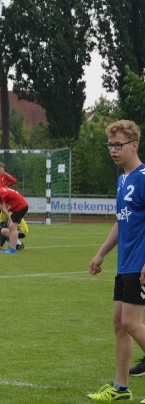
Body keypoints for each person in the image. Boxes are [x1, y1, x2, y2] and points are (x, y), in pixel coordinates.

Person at [86, 120, 145, 401]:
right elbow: (122, 222)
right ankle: (121, 388)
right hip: (125, 264)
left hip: (140, 264)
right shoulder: (122, 179)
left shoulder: (144, 177)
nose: (113, 150)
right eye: (110, 145)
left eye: (118, 145)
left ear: (134, 145)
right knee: (120, 324)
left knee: (132, 323)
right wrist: (101, 254)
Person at [0, 180, 28, 254]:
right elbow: (4, 207)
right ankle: (12, 247)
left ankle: (13, 249)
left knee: (13, 226)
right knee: (11, 226)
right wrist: (9, 220)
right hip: (20, 207)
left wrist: (10, 220)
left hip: (20, 207)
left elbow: (3, 208)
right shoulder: (1, 191)